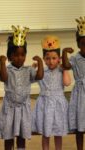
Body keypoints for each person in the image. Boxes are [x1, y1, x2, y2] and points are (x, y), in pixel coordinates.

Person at [0, 25, 44, 150]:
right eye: (16, 55)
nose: (20, 58)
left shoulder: (28, 69)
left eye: (22, 55)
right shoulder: (7, 69)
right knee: (8, 137)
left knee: (21, 137)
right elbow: (3, 78)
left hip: (23, 109)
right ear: (10, 56)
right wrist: (2, 63)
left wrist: (40, 62)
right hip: (10, 108)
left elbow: (39, 76)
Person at [32, 35, 71, 150]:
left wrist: (64, 70)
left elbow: (67, 83)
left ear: (59, 58)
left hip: (58, 105)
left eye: (54, 58)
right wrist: (34, 67)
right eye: (48, 58)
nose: (51, 61)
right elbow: (32, 78)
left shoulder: (61, 70)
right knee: (46, 133)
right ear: (44, 59)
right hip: (45, 105)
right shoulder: (42, 71)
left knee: (58, 133)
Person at [62, 16, 85, 150]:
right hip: (80, 95)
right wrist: (64, 52)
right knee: (79, 125)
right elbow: (65, 65)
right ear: (78, 44)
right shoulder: (75, 58)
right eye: (83, 44)